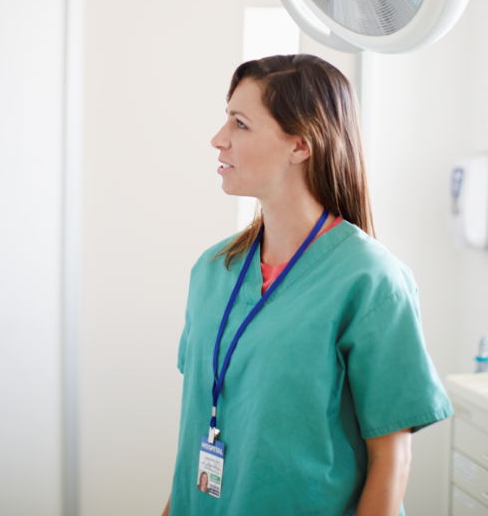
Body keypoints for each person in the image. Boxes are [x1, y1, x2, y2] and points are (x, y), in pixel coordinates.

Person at [162, 55, 453, 516]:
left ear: (300, 144)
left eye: (240, 124)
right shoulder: (212, 271)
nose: (218, 140)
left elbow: (391, 460)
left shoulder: (371, 282)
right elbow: (200, 425)